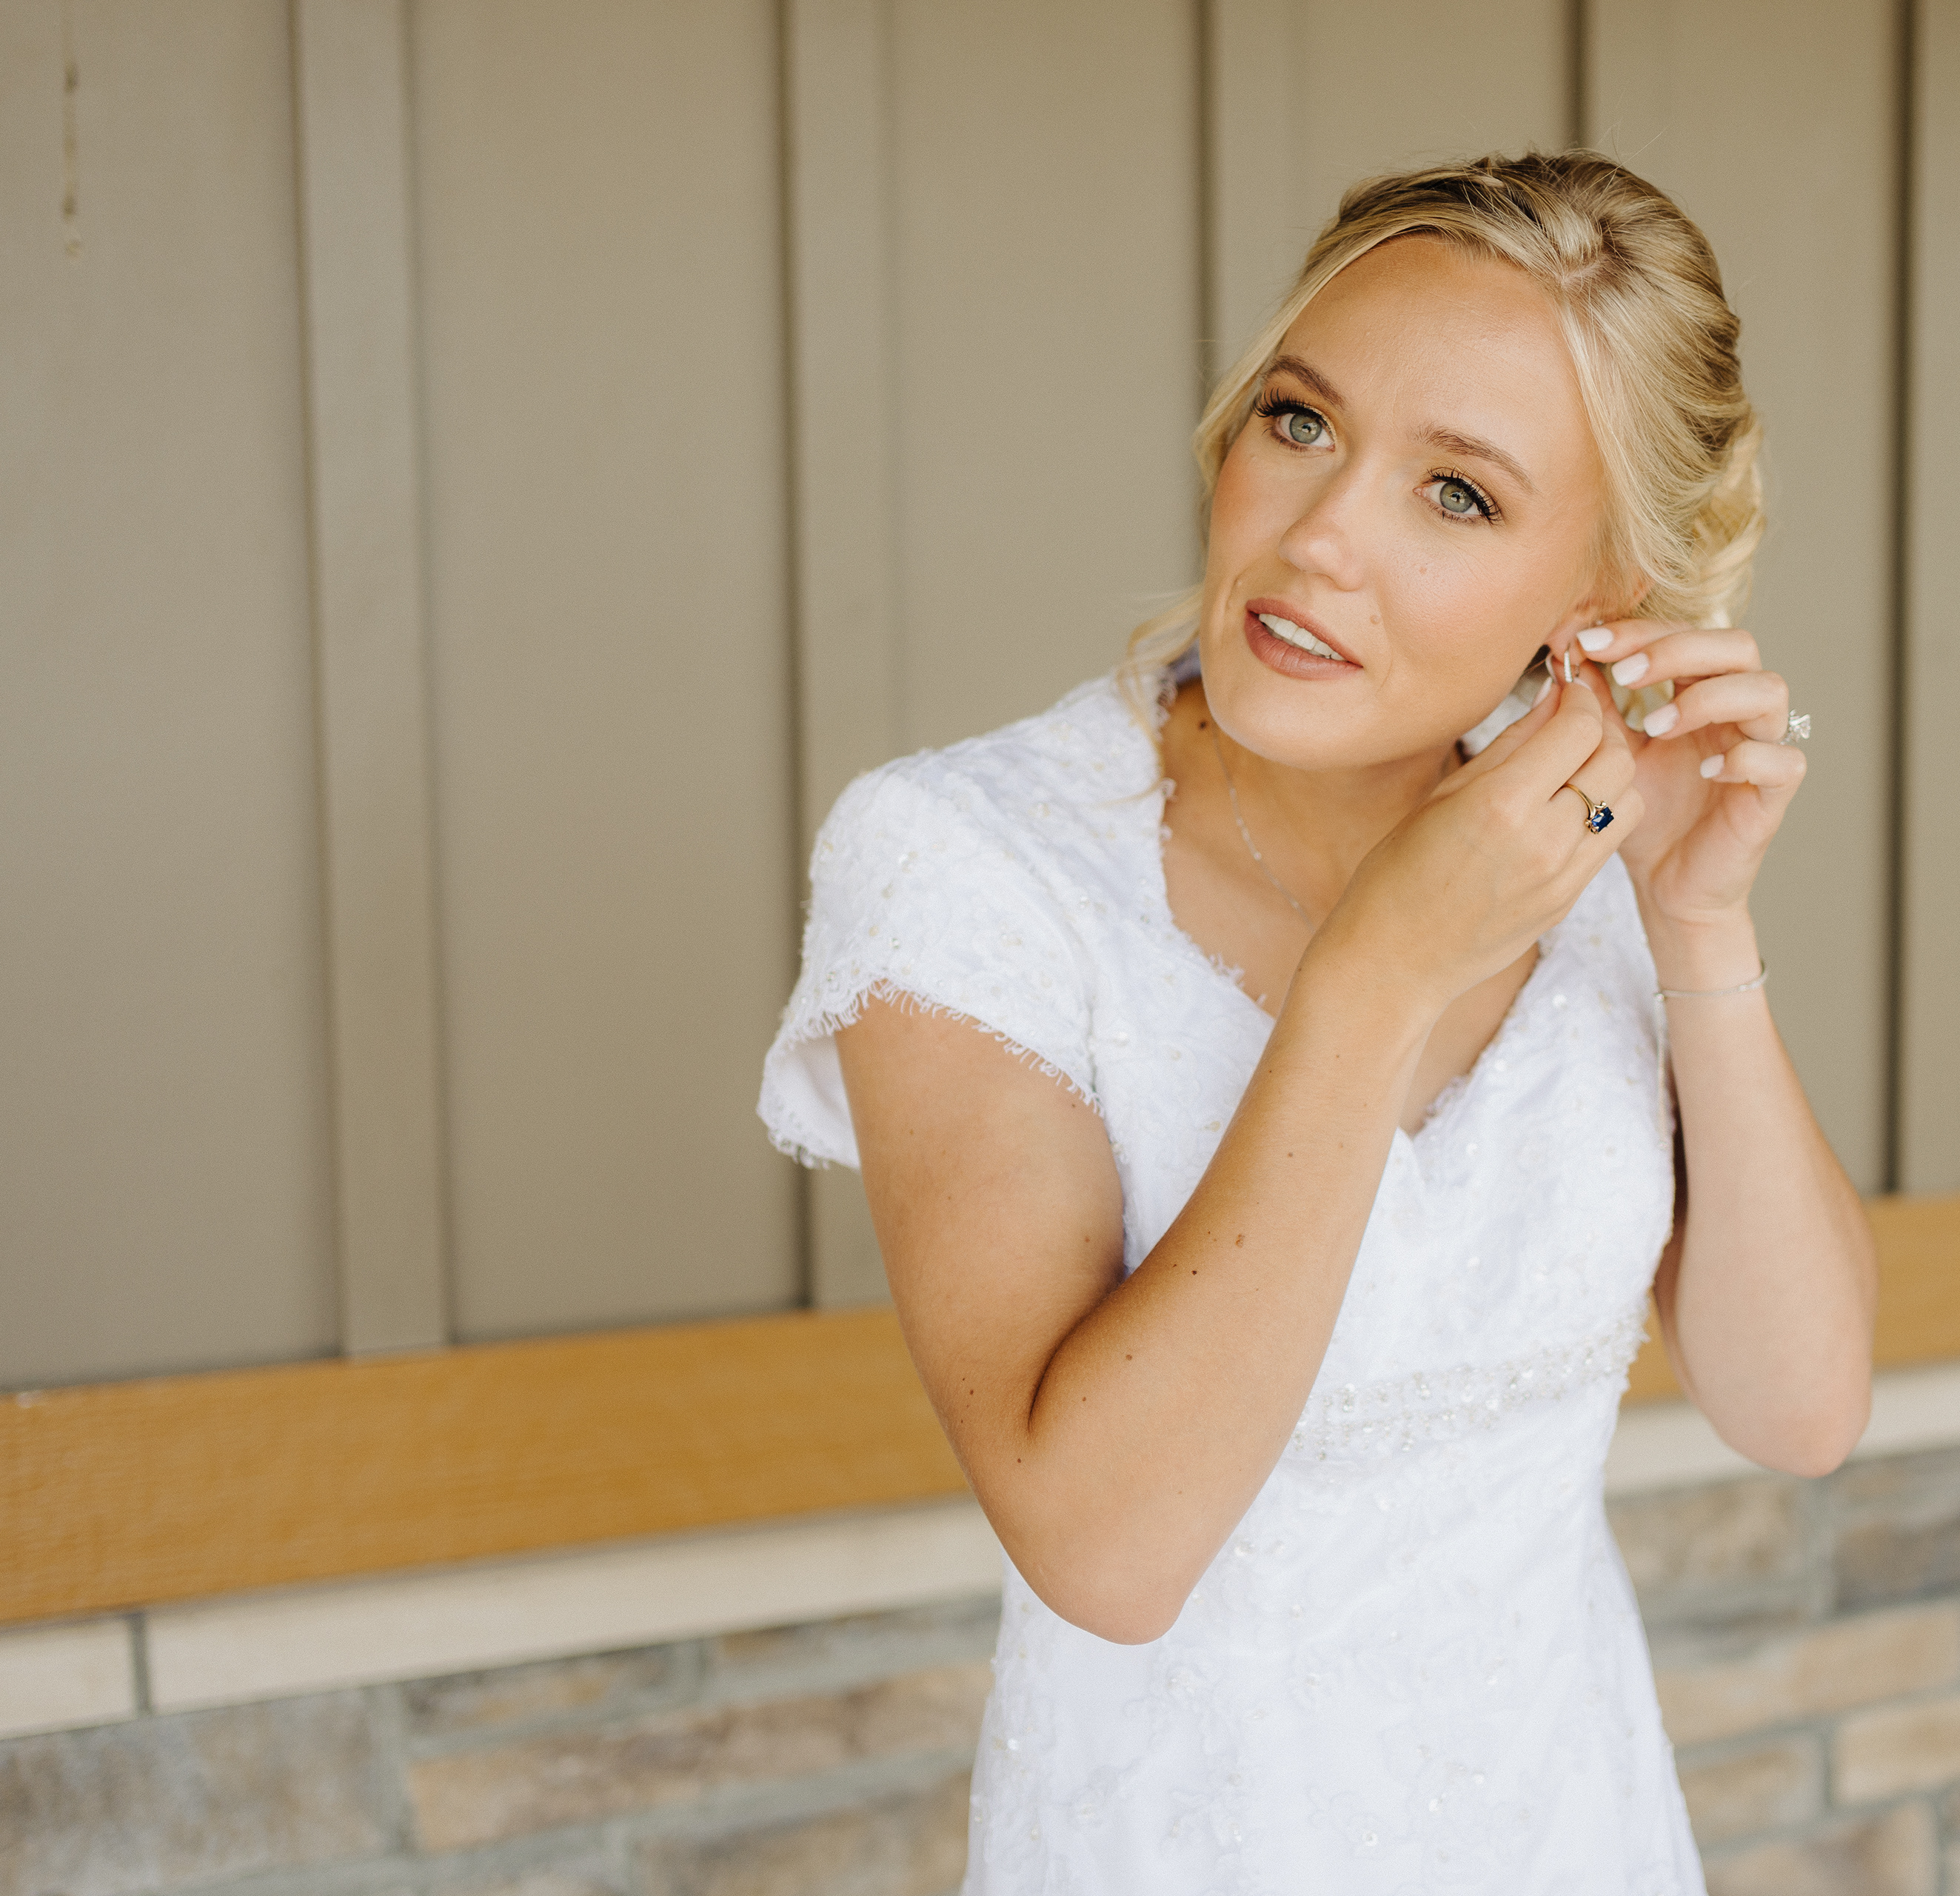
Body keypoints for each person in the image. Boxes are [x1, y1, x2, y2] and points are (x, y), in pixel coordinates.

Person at [758, 150, 1877, 1893]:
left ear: (1601, 600)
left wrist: (1699, 921)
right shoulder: (965, 861)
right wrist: (1377, 974)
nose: (1321, 535)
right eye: (1301, 422)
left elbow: (1798, 1406)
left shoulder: (1581, 841)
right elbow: (1108, 1549)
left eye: (1457, 494)